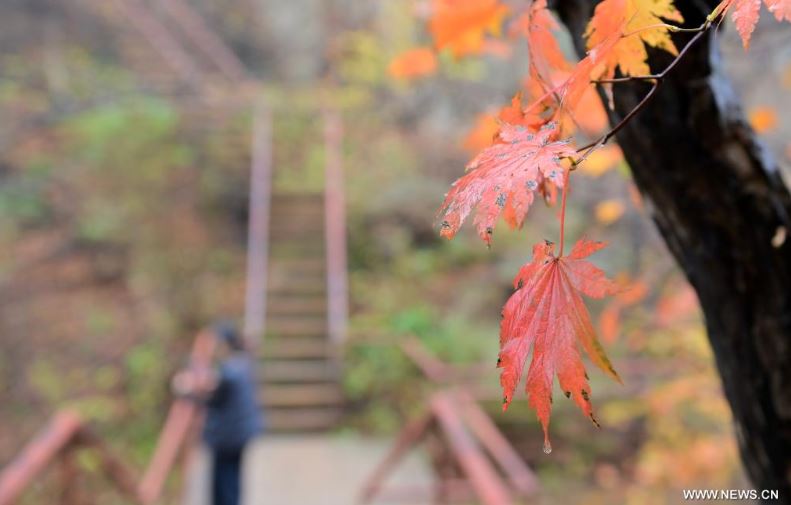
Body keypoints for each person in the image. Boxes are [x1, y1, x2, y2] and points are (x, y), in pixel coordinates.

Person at [173, 322, 264, 505]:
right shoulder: (241, 362)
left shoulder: (230, 371)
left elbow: (212, 397)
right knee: (231, 478)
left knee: (224, 483)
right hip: (239, 432)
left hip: (228, 436)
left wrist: (186, 391)